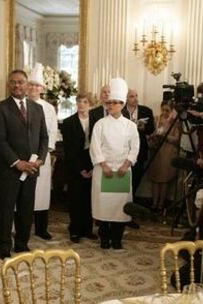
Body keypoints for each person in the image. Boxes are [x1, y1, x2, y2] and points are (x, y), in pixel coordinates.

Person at [0, 70, 48, 259]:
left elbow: (44, 138)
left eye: (21, 82)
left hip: (31, 169)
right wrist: (17, 162)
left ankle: (22, 243)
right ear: (9, 85)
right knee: (6, 209)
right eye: (13, 82)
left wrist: (39, 159)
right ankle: (4, 246)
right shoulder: (0, 108)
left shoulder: (37, 109)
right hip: (9, 169)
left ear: (27, 85)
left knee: (26, 208)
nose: (17, 85)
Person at [90, 78, 139, 250]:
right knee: (103, 207)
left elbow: (135, 148)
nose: (110, 106)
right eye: (108, 103)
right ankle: (104, 239)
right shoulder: (100, 124)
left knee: (120, 209)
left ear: (122, 104)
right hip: (104, 171)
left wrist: (126, 165)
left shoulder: (130, 126)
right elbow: (95, 147)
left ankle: (117, 240)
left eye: (114, 103)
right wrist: (104, 166)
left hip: (122, 172)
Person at [27, 63, 58, 240]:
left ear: (42, 88)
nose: (34, 88)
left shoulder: (48, 108)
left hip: (41, 158)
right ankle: (22, 226)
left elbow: (51, 132)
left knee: (42, 194)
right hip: (24, 158)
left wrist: (41, 156)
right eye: (31, 84)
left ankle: (41, 228)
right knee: (24, 195)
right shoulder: (21, 105)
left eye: (37, 85)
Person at [62, 92, 96, 243]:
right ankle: (74, 230)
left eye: (85, 102)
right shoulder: (69, 122)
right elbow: (68, 149)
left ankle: (87, 229)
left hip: (92, 162)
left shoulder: (97, 120)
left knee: (89, 198)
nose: (82, 104)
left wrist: (94, 167)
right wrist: (80, 169)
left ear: (91, 104)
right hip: (74, 164)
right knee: (75, 198)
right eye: (79, 101)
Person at [147, 101, 181, 212]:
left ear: (172, 111)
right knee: (155, 178)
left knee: (164, 179)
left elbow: (177, 139)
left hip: (168, 151)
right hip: (156, 151)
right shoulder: (156, 119)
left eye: (168, 110)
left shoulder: (175, 122)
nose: (165, 113)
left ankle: (161, 204)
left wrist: (166, 137)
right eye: (163, 110)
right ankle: (154, 202)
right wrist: (153, 136)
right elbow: (151, 133)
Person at [122, 89, 155, 194]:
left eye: (136, 96)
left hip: (140, 150)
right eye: (132, 96)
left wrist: (143, 128)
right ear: (126, 98)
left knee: (136, 177)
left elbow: (151, 129)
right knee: (122, 178)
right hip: (123, 150)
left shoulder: (146, 111)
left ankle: (132, 200)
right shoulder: (120, 111)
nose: (135, 98)